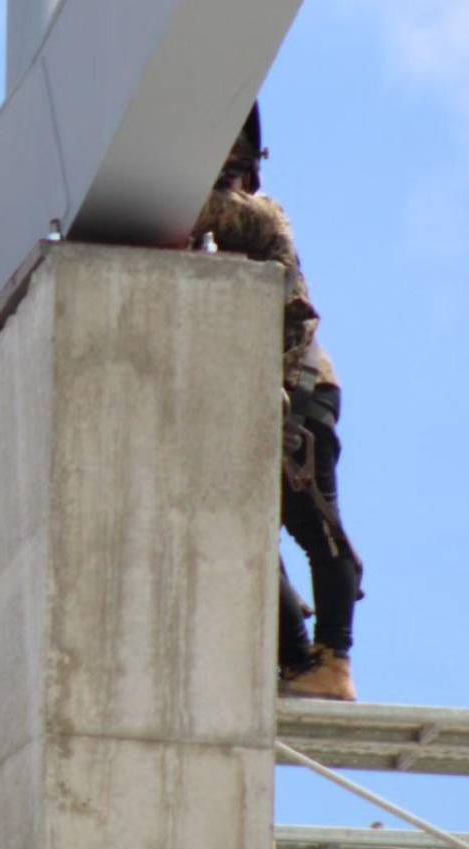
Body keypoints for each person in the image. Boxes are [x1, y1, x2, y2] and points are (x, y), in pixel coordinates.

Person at [192, 105, 362, 701]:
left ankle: (334, 661)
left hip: (301, 391)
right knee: (241, 533)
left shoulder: (259, 218)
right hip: (255, 394)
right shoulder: (211, 241)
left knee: (312, 520)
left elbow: (208, 212)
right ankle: (297, 660)